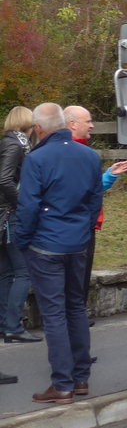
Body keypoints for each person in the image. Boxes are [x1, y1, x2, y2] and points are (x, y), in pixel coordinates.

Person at [13, 103, 104, 404]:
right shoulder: (90, 156)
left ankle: (62, 383)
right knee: (75, 307)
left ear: (38, 129)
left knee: (54, 314)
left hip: (46, 244)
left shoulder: (37, 158)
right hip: (77, 241)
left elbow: (28, 206)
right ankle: (80, 379)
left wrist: (24, 239)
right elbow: (94, 198)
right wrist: (84, 228)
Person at [64, 105, 127, 303]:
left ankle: (75, 312)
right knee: (77, 273)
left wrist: (110, 175)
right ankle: (75, 314)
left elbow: (89, 187)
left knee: (80, 272)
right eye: (88, 121)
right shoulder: (75, 153)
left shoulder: (82, 150)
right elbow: (80, 191)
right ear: (72, 124)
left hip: (82, 221)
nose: (92, 126)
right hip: (79, 222)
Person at [1, 105, 40, 349]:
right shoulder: (17, 145)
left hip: (1, 215)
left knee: (5, 273)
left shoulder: (5, 142)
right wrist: (21, 203)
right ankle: (14, 327)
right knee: (23, 271)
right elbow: (4, 179)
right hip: (9, 215)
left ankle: (5, 323)